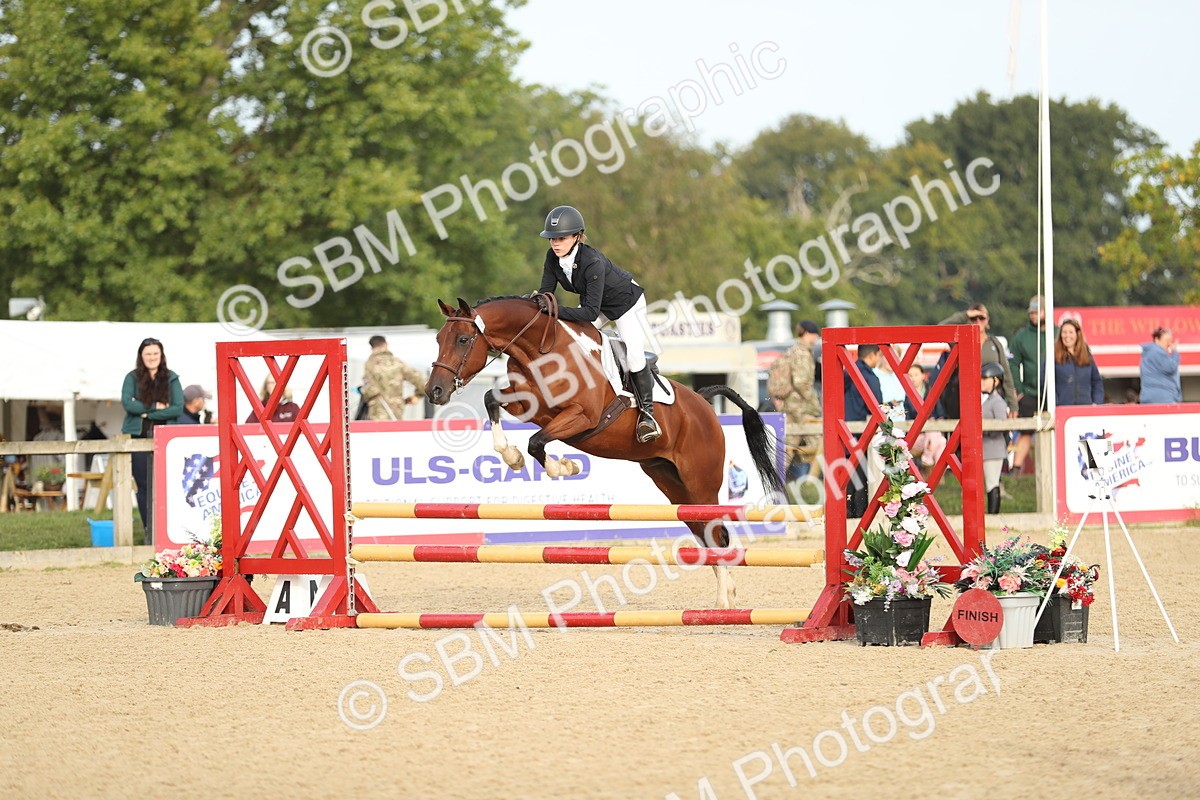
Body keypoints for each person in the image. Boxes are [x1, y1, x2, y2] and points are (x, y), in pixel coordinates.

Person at [532, 205, 661, 443]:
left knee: (633, 357)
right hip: (598, 304)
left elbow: (589, 313)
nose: (555, 243)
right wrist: (533, 303)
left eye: (561, 238)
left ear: (577, 237)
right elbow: (545, 294)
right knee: (576, 342)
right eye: (552, 239)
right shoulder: (552, 258)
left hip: (626, 303)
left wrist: (555, 311)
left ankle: (647, 415)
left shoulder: (592, 262)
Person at [121, 337, 183, 543]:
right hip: (139, 436)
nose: (152, 357)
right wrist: (156, 407)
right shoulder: (132, 377)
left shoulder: (171, 378)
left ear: (161, 355)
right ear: (141, 356)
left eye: (155, 353)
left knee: (166, 483)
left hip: (166, 438)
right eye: (148, 354)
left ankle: (168, 531)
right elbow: (128, 404)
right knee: (143, 484)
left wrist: (147, 413)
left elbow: (177, 408)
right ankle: (149, 530)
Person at [938, 303, 1018, 417]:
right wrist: (965, 315)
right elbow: (940, 329)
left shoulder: (994, 343)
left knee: (994, 432)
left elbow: (1006, 375)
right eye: (973, 318)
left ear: (987, 320)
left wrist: (1013, 404)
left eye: (981, 318)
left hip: (991, 397)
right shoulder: (960, 342)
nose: (977, 321)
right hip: (965, 398)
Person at [768, 320, 821, 488]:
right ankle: (814, 486)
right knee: (820, 443)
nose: (816, 337)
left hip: (789, 406)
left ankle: (774, 483)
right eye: (815, 334)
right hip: (802, 408)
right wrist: (815, 402)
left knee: (787, 448)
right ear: (807, 334)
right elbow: (801, 382)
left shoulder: (791, 351)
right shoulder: (803, 353)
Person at [1009, 295, 1055, 471]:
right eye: (1031, 313)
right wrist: (1018, 389)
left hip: (1053, 394)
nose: (1034, 315)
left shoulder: (1057, 332)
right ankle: (1016, 470)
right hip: (1030, 392)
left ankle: (1054, 469)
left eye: (1037, 312)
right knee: (1026, 431)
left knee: (1053, 432)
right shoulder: (1021, 337)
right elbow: (1012, 363)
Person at [844, 344, 884, 518]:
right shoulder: (870, 378)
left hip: (843, 430)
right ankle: (859, 513)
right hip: (862, 432)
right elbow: (877, 407)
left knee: (845, 472)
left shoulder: (846, 373)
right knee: (861, 473)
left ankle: (845, 511)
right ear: (874, 355)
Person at [362, 336, 426, 421]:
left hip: (377, 411)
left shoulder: (370, 364)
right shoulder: (398, 363)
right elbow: (420, 380)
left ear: (371, 347)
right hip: (396, 411)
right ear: (386, 344)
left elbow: (368, 390)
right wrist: (417, 396)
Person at [904, 365, 947, 468]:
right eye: (910, 375)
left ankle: (931, 462)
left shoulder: (931, 393)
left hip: (932, 436)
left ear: (923, 376)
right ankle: (940, 467)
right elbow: (906, 419)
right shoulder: (905, 396)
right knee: (938, 439)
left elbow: (940, 414)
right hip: (915, 436)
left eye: (916, 375)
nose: (913, 378)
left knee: (939, 438)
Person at [980, 361, 1009, 514]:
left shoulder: (997, 402)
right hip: (985, 448)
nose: (981, 382)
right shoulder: (985, 400)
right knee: (989, 482)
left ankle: (993, 515)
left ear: (996, 381)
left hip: (993, 448)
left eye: (985, 379)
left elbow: (1001, 427)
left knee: (992, 482)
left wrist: (984, 430)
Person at [1054, 320, 1104, 406]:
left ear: (1077, 334)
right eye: (1064, 332)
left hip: (1085, 409)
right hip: (1062, 409)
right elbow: (1045, 383)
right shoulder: (1054, 357)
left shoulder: (1087, 356)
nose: (1067, 335)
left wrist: (1097, 402)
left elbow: (1096, 382)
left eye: (1070, 332)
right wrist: (1056, 402)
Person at [1139, 327, 1182, 403]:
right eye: (1166, 340)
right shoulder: (1157, 351)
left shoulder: (1149, 353)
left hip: (1150, 397)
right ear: (1156, 340)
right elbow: (1171, 367)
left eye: (1170, 340)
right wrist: (1175, 352)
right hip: (1163, 398)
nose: (1169, 343)